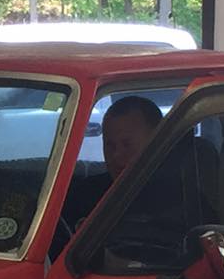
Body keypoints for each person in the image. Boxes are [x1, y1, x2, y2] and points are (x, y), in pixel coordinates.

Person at [61, 95, 164, 230]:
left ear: (156, 143)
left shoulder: (182, 196)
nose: (116, 155)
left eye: (127, 144)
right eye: (110, 146)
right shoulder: (83, 197)